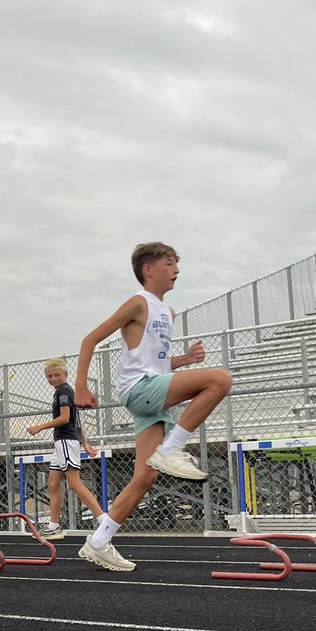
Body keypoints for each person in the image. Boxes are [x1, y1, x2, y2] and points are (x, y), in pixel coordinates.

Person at [74, 242, 232, 571]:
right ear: (149, 270)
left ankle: (98, 542)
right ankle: (172, 450)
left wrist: (185, 359)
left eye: (177, 263)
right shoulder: (138, 302)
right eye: (170, 263)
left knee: (145, 477)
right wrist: (81, 386)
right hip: (138, 389)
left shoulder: (168, 313)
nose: (177, 270)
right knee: (219, 380)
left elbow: (155, 361)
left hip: (154, 392)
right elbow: (90, 339)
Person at [27, 358, 127, 561]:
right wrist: (86, 444)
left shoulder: (64, 392)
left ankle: (104, 520)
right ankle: (54, 526)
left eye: (57, 375)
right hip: (63, 443)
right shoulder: (64, 393)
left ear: (65, 375)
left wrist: (40, 427)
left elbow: (65, 419)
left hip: (65, 442)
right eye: (49, 376)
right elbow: (77, 421)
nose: (53, 378)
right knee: (53, 484)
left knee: (74, 483)